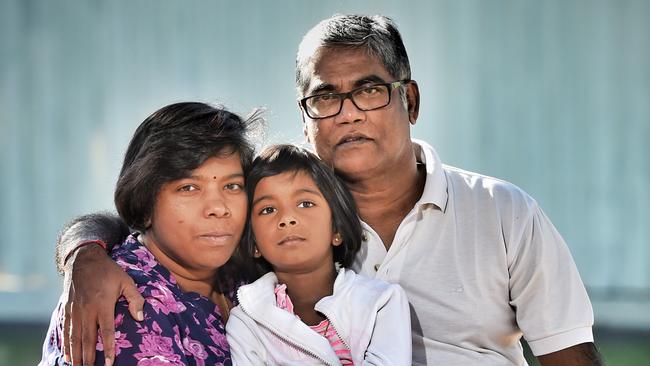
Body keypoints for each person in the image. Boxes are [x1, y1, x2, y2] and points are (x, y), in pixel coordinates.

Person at [55, 14, 603, 366]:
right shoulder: (272, 219)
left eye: (369, 91)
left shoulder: (502, 211)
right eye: (325, 98)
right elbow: (150, 222)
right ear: (306, 116)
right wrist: (86, 253)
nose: (347, 114)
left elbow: (569, 354)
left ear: (408, 100)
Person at [41, 102, 259, 365]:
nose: (218, 208)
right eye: (189, 188)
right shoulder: (125, 306)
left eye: (233, 185)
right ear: (145, 204)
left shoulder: (244, 277)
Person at [225, 144, 411, 365]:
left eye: (305, 204)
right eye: (268, 210)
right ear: (254, 242)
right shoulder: (246, 322)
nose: (287, 218)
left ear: (337, 230)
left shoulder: (380, 302)